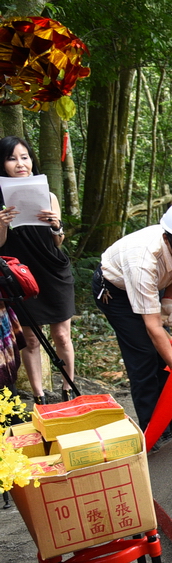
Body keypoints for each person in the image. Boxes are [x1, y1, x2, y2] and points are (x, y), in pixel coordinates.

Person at [92, 201, 172, 436]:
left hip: (149, 286)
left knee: (160, 355)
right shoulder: (143, 260)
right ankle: (154, 429)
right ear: (168, 238)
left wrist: (169, 300)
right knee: (143, 355)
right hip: (116, 292)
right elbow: (153, 326)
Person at [0, 136, 74, 403]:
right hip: (21, 276)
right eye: (12, 158)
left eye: (25, 157)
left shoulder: (49, 194)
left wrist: (56, 225)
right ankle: (40, 397)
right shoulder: (0, 200)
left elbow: (57, 241)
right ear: (3, 163)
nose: (20, 164)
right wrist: (3, 223)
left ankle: (69, 391)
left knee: (62, 336)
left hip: (54, 271)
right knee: (31, 340)